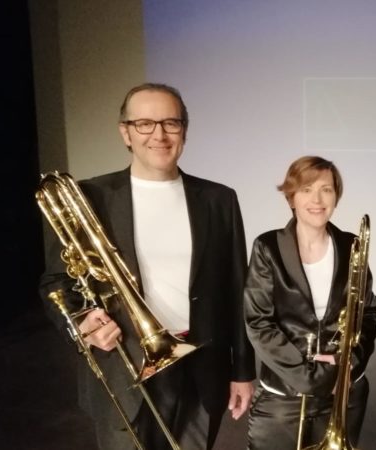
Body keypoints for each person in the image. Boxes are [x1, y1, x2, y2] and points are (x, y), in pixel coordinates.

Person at [38, 83, 256, 450]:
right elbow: (56, 281)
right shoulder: (89, 197)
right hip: (123, 363)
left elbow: (236, 291)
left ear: (184, 129)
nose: (159, 134)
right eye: (144, 124)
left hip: (201, 365)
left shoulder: (219, 199)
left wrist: (242, 372)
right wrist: (81, 323)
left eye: (171, 123)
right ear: (125, 131)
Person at [244, 156, 376, 449]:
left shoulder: (352, 246)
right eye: (306, 189)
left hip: (344, 391)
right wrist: (313, 379)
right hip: (284, 396)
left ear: (336, 197)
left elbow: (369, 313)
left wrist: (348, 364)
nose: (317, 199)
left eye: (326, 189)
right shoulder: (267, 247)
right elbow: (258, 322)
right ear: (291, 197)